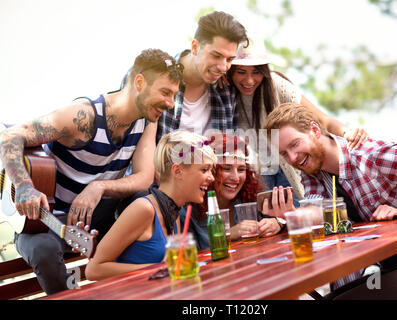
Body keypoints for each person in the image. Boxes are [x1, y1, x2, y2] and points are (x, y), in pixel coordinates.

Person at [0, 48, 183, 294]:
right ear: (139, 82)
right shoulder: (83, 115)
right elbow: (9, 137)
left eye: (174, 95)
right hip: (43, 221)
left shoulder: (147, 120)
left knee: (146, 200)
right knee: (42, 251)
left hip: (97, 218)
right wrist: (23, 186)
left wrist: (99, 186)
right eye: (165, 93)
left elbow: (144, 177)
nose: (170, 104)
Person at [263, 102, 397, 299]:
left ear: (315, 130)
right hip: (376, 270)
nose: (292, 158)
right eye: (284, 153)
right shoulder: (313, 173)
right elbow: (317, 213)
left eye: (295, 144)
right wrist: (288, 215)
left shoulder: (371, 155)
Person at [227, 38, 369, 202]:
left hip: (290, 164)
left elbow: (321, 119)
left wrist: (348, 132)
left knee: (303, 212)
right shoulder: (226, 93)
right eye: (241, 72)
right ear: (230, 71)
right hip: (259, 171)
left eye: (256, 72)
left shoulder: (274, 85)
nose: (249, 80)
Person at [85, 131, 216, 280]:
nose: (211, 178)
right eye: (204, 170)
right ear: (178, 171)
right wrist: (158, 268)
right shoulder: (144, 209)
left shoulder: (173, 213)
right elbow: (94, 269)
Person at [120, 11, 249, 142]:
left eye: (229, 59)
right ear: (195, 47)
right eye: (216, 56)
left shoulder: (226, 90)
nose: (223, 67)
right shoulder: (148, 76)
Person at [180, 133, 291, 250]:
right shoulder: (189, 209)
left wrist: (278, 223)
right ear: (210, 170)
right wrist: (227, 234)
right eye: (226, 168)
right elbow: (190, 257)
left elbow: (294, 217)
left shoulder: (252, 196)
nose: (236, 178)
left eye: (241, 169)